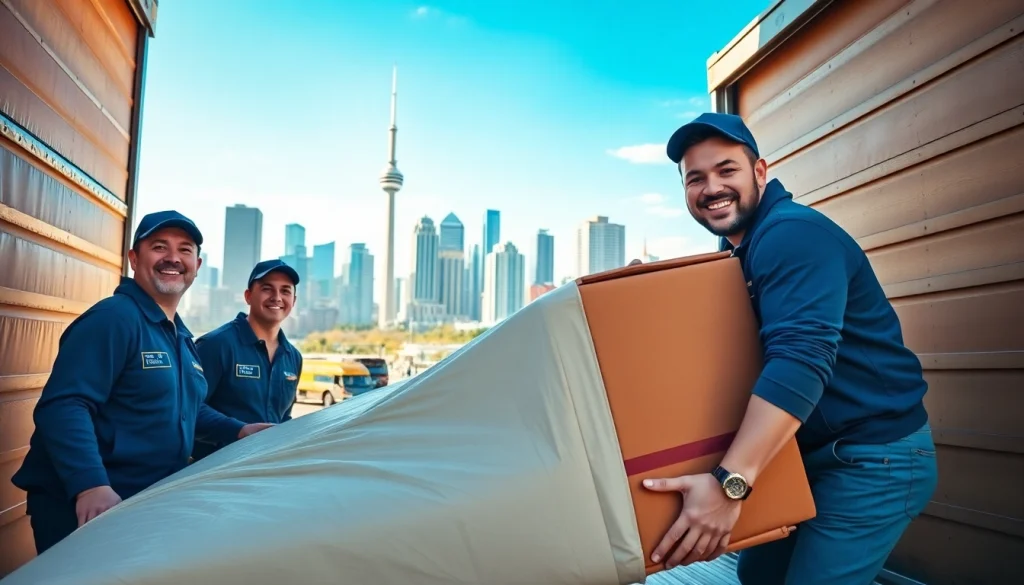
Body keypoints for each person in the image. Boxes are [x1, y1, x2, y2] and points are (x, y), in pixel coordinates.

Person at [637, 113, 938, 584]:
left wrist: (728, 485)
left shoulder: (792, 233)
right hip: (803, 457)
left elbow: (801, 358)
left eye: (726, 170)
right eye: (696, 178)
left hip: (874, 457)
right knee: (759, 576)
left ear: (760, 172)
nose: (711, 187)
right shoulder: (737, 252)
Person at [11, 211, 273, 554]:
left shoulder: (179, 336)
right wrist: (90, 485)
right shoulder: (114, 319)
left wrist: (238, 431)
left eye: (185, 249)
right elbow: (65, 405)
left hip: (141, 504)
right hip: (89, 504)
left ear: (197, 264)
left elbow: (185, 410)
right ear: (134, 258)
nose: (173, 258)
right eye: (159, 246)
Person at [191, 259, 304, 462]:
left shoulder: (292, 357)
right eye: (267, 289)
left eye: (285, 291)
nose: (277, 297)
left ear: (293, 301)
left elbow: (283, 417)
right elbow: (188, 408)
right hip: (214, 472)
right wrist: (238, 431)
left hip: (266, 471)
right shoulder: (216, 345)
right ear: (248, 296)